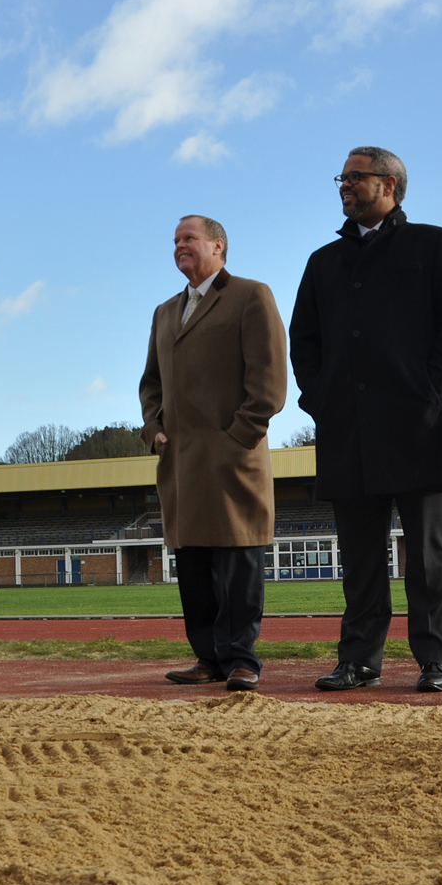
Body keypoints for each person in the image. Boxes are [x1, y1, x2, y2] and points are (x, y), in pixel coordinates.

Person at [292, 146, 442, 693]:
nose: (344, 185)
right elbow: (303, 340)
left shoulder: (434, 244)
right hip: (346, 430)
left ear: (390, 184)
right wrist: (319, 399)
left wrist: (431, 389)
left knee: (428, 556)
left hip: (415, 426)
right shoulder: (323, 262)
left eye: (356, 176)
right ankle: (359, 660)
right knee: (361, 559)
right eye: (341, 177)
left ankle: (434, 659)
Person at [140, 215, 288, 692]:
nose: (179, 246)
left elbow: (268, 380)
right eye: (175, 241)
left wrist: (239, 437)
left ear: (218, 246)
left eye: (189, 238)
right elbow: (151, 383)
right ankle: (208, 657)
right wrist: (153, 429)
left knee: (238, 561)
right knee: (195, 565)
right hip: (181, 462)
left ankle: (242, 658)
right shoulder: (165, 312)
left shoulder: (250, 295)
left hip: (231, 456)